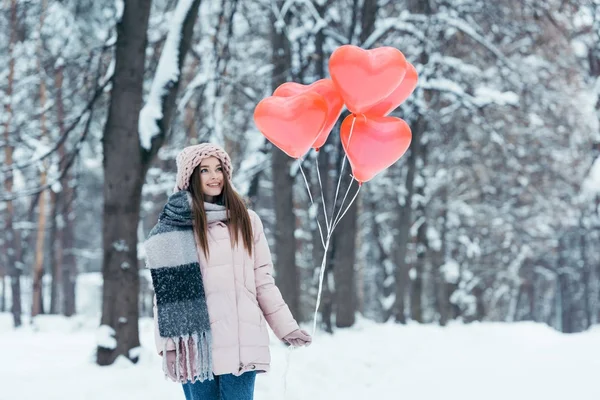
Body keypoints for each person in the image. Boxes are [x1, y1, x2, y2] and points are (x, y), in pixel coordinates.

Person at [144, 143, 312, 400]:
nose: (214, 176)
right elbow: (166, 299)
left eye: (219, 169)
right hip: (196, 347)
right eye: (204, 170)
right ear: (189, 177)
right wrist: (168, 348)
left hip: (242, 343)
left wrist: (286, 328)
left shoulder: (247, 220)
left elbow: (263, 282)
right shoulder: (173, 227)